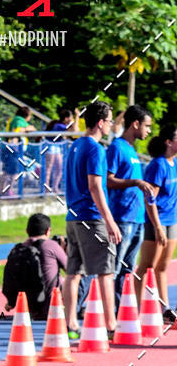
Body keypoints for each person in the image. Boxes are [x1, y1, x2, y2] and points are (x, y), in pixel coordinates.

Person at [62, 101, 121, 341]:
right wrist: (109, 220)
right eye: (109, 121)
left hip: (73, 216)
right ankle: (111, 326)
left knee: (73, 272)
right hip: (91, 216)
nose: (110, 125)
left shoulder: (75, 145)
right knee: (105, 271)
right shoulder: (96, 149)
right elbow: (96, 186)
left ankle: (70, 324)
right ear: (100, 122)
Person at [106, 104, 153, 311]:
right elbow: (108, 180)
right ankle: (110, 314)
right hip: (122, 217)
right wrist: (135, 182)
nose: (149, 131)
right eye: (147, 126)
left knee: (128, 270)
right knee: (115, 269)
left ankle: (122, 311)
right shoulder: (117, 147)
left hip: (137, 218)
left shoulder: (132, 149)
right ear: (135, 124)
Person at [133, 124, 177, 317]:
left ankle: (165, 308)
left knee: (163, 267)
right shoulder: (158, 165)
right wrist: (158, 226)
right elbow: (149, 198)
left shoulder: (174, 164)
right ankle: (133, 308)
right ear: (169, 142)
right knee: (147, 265)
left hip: (171, 221)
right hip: (156, 221)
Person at [3, 213, 66, 320]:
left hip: (28, 307)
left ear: (27, 231)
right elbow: (70, 269)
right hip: (51, 306)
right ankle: (74, 309)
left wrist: (11, 301)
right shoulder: (51, 245)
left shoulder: (18, 249)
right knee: (78, 277)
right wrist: (64, 250)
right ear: (48, 231)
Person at [1, 105, 36, 196]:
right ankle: (7, 191)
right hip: (12, 150)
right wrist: (28, 129)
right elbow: (17, 130)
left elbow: (30, 129)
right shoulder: (18, 120)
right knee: (13, 171)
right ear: (27, 114)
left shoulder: (17, 120)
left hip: (9, 149)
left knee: (8, 171)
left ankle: (3, 191)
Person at [45, 107, 73, 194]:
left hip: (57, 147)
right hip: (50, 146)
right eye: (71, 118)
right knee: (49, 169)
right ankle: (46, 188)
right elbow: (71, 131)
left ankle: (55, 187)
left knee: (59, 168)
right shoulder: (59, 126)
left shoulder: (61, 125)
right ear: (66, 118)